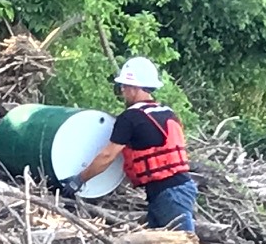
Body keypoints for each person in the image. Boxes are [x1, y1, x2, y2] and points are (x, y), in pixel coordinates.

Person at [67, 57, 198, 232]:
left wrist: (79, 180)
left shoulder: (130, 118)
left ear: (134, 88)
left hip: (169, 194)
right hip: (178, 188)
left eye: (124, 86)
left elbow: (107, 156)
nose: (122, 91)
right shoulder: (166, 112)